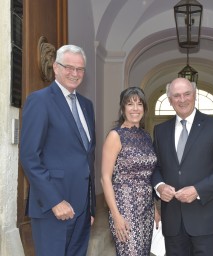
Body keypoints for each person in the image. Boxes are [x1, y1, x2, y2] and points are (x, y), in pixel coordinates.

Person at [19, 44, 96, 256]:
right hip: (53, 206)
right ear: (55, 67)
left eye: (80, 69)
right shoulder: (40, 100)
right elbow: (29, 156)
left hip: (81, 209)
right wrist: (55, 201)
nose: (75, 73)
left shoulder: (86, 105)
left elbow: (88, 157)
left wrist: (90, 207)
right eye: (68, 67)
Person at [152, 77, 213, 256]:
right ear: (170, 100)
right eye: (176, 96)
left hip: (206, 220)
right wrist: (159, 186)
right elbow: (156, 167)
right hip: (173, 221)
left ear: (195, 95)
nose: (182, 99)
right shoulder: (160, 130)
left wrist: (198, 190)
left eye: (187, 94)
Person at [101, 87, 159, 255]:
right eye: (130, 104)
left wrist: (154, 209)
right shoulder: (115, 136)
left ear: (145, 109)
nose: (135, 108)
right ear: (122, 108)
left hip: (147, 209)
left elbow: (148, 177)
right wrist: (116, 216)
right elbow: (105, 178)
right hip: (124, 209)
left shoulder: (146, 136)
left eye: (139, 104)